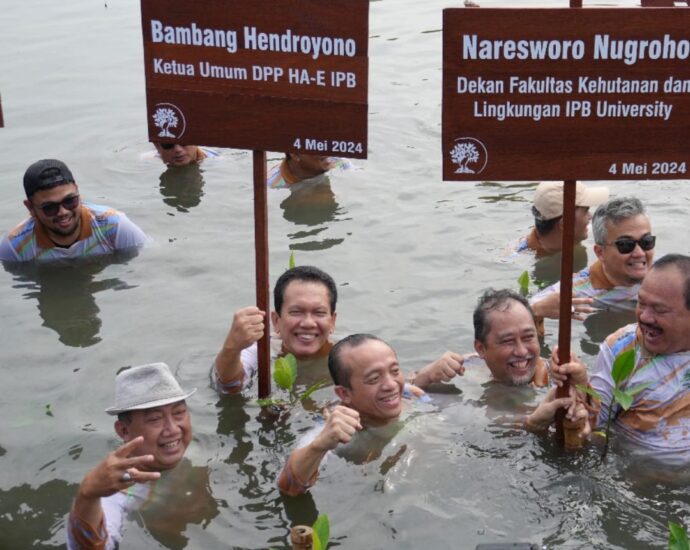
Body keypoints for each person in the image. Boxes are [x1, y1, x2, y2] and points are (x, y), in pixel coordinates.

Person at [276, 334, 431, 496]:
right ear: (344, 393)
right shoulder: (333, 433)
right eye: (374, 379)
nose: (391, 385)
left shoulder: (411, 394)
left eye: (394, 371)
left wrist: (427, 376)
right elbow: (287, 487)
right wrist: (319, 446)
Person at [67, 363, 198, 549]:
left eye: (178, 413)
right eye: (155, 419)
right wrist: (88, 494)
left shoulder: (195, 448)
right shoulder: (119, 490)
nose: (173, 429)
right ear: (124, 431)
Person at [583, 254, 690, 460]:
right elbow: (591, 431)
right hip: (636, 479)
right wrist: (580, 393)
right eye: (641, 303)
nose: (645, 317)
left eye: (659, 310)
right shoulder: (622, 348)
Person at [212, 265, 338, 395]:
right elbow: (229, 385)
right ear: (276, 320)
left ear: (333, 321)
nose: (308, 323)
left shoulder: (345, 357)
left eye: (319, 312)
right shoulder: (262, 351)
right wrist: (232, 347)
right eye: (296, 312)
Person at [530, 197, 655, 322]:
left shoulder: (663, 276)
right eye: (626, 245)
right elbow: (522, 310)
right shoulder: (580, 290)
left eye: (646, 242)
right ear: (600, 252)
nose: (639, 253)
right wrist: (536, 310)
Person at [0, 159, 148, 263]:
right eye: (49, 207)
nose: (63, 212)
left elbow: (148, 261)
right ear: (30, 208)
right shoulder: (15, 247)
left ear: (78, 191)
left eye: (70, 201)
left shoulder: (114, 226)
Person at [514, 181, 608, 257]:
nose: (590, 216)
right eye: (586, 210)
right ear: (565, 223)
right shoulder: (520, 256)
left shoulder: (587, 230)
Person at [267, 153, 352, 189]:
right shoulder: (274, 184)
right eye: (317, 145)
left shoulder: (339, 162)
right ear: (295, 154)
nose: (328, 150)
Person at [153, 143, 218, 167]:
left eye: (184, 142)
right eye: (168, 144)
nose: (178, 149)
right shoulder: (148, 159)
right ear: (157, 146)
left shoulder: (216, 161)